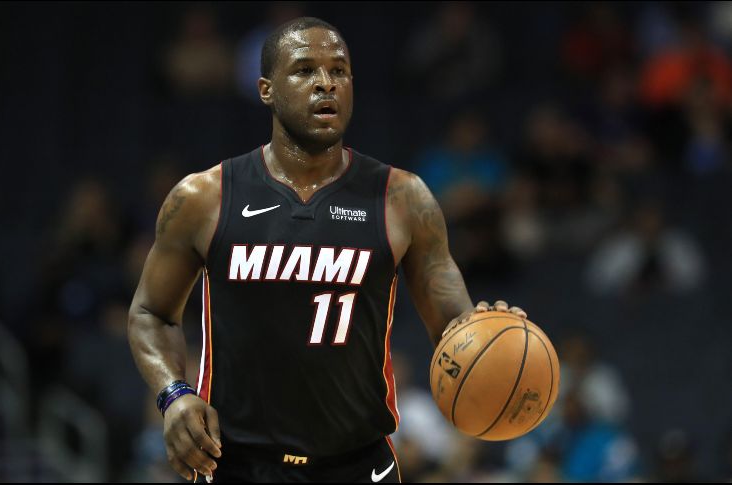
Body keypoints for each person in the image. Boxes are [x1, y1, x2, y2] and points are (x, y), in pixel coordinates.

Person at [128, 17, 528, 483]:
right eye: (304, 70)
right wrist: (174, 394)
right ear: (266, 90)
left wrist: (490, 335)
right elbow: (151, 313)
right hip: (239, 465)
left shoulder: (402, 199)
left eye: (339, 71)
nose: (325, 83)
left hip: (359, 466)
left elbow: (454, 330)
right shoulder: (204, 198)